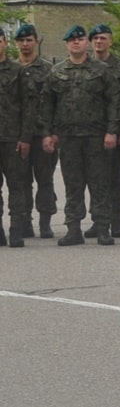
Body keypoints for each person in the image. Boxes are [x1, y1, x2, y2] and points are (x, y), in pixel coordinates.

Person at [42, 25, 120, 246]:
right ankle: (73, 229)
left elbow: (114, 102)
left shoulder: (101, 70)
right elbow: (47, 105)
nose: (76, 43)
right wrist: (48, 134)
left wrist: (111, 131)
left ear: (86, 43)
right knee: (73, 184)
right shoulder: (56, 72)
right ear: (66, 44)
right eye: (71, 40)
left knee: (100, 183)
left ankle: (103, 228)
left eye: (80, 39)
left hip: (96, 136)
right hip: (68, 138)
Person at [88, 24, 120, 238]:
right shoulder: (85, 66)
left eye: (103, 38)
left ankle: (116, 221)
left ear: (110, 41)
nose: (99, 41)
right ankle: (99, 220)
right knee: (95, 178)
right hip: (92, 132)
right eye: (95, 38)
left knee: (115, 176)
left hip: (114, 131)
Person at [16, 26, 59, 238]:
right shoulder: (10, 69)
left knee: (45, 179)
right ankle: (24, 221)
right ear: (16, 43)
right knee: (21, 180)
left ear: (36, 41)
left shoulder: (49, 70)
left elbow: (57, 103)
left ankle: (45, 222)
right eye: (21, 40)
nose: (25, 44)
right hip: (18, 135)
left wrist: (52, 133)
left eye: (29, 40)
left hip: (43, 134)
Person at [0, 26, 32, 247]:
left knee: (17, 186)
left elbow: (28, 106)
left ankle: (17, 229)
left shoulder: (17, 71)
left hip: (12, 138)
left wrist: (25, 137)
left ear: (4, 43)